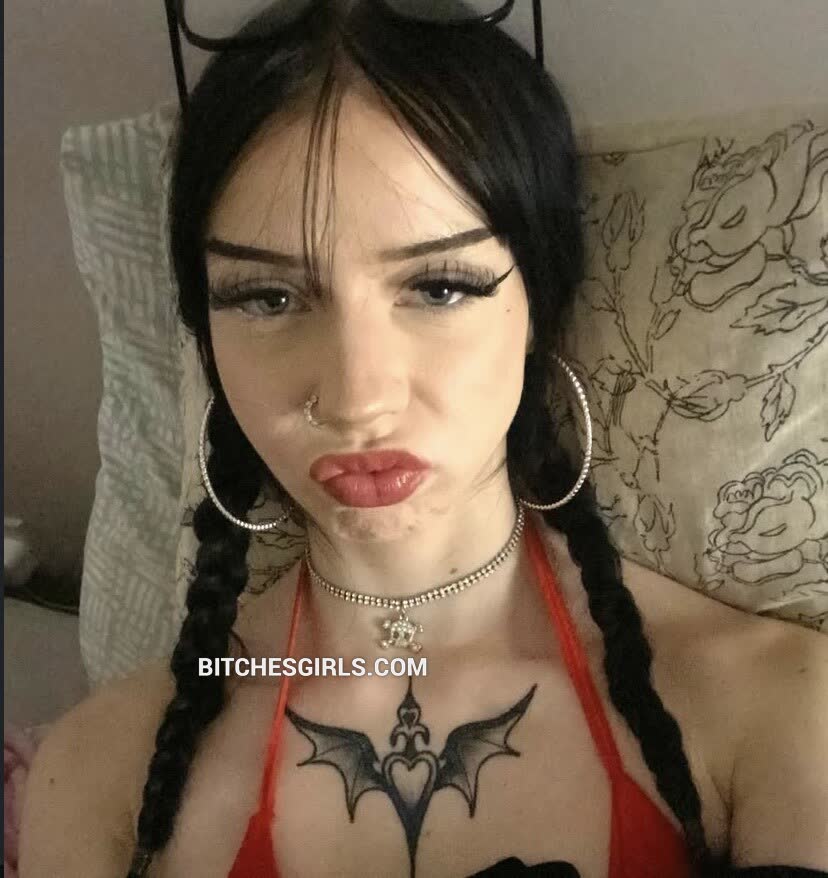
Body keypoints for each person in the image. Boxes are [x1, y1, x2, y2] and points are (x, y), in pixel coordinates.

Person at [19, 2, 828, 877]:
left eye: (440, 288)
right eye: (268, 298)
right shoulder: (101, 777)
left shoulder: (771, 712)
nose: (357, 400)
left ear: (537, 308)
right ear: (207, 339)